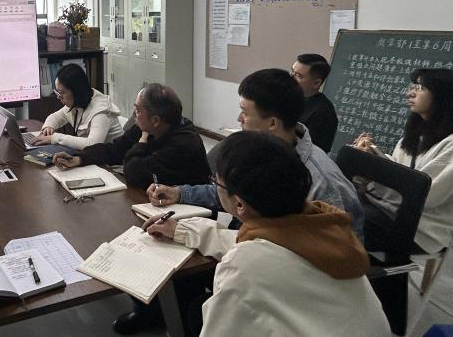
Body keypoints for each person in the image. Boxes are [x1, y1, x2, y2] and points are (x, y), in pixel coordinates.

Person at [144, 131, 391, 337]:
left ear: (239, 204)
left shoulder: (245, 265)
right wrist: (182, 229)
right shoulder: (322, 226)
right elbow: (258, 247)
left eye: (216, 182)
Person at [149, 69, 363, 237]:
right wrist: (180, 193)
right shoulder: (256, 151)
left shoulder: (323, 184)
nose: (239, 119)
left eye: (244, 112)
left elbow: (339, 254)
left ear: (272, 123)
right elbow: (233, 193)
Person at [354, 68, 453, 254]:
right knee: (337, 205)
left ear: (442, 96)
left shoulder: (450, 144)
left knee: (346, 221)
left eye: (420, 88)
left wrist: (375, 174)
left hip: (420, 231)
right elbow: (398, 169)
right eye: (412, 87)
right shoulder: (413, 137)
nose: (410, 93)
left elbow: (426, 194)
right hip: (387, 210)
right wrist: (370, 157)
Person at [52, 83, 210, 190]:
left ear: (155, 120)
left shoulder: (184, 143)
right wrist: (79, 158)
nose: (134, 114)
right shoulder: (152, 126)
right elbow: (116, 149)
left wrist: (142, 142)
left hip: (191, 212)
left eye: (138, 110)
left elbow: (134, 172)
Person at [32, 63, 124, 150]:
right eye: (57, 92)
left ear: (77, 91)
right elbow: (56, 117)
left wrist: (54, 138)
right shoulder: (78, 102)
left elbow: (92, 144)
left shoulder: (101, 110)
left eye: (61, 92)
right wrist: (48, 127)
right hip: (93, 157)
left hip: (111, 161)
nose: (58, 97)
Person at [291, 53, 339, 152]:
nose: (291, 77)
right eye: (292, 72)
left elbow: (313, 153)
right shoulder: (287, 97)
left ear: (317, 83)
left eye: (299, 75)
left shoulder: (324, 113)